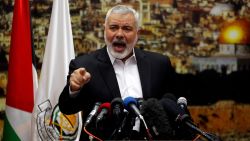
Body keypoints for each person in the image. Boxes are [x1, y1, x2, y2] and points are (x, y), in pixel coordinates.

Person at [59, 5, 193, 140]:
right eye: (113, 28)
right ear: (104, 30)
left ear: (137, 33)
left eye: (127, 29)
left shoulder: (159, 64)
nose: (119, 34)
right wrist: (74, 88)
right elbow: (67, 108)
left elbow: (173, 106)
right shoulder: (84, 66)